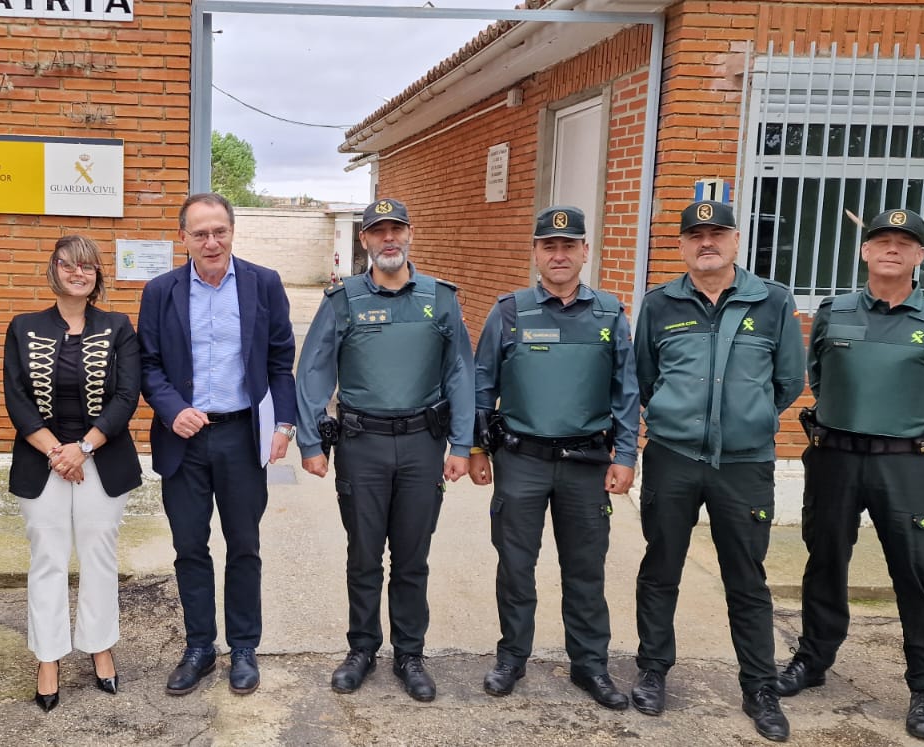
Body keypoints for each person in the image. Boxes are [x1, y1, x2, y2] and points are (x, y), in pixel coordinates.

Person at [775, 208, 924, 742]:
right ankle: (813, 660)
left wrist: (907, 433)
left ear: (920, 256)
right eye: (882, 240)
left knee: (913, 574)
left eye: (904, 242)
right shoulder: (832, 311)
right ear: (865, 251)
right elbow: (818, 377)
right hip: (835, 458)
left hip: (906, 464)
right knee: (824, 562)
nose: (892, 248)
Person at [630, 200, 804, 742]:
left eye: (717, 233)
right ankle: (653, 671)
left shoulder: (772, 301)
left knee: (747, 579)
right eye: (695, 235)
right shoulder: (659, 304)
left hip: (743, 464)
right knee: (661, 569)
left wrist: (745, 420)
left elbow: (788, 382)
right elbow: (645, 374)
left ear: (735, 240)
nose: (707, 243)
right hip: (673, 458)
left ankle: (759, 686)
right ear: (682, 245)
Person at [295, 197, 475, 703]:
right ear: (365, 241)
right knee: (364, 555)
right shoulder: (343, 299)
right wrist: (312, 440)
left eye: (397, 230)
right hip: (362, 445)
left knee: (413, 557)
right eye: (379, 232)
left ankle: (410, 655)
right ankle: (361, 649)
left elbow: (459, 372)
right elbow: (313, 372)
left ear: (410, 235)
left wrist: (462, 443)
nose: (388, 239)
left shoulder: (440, 299)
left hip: (423, 445)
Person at [467, 205, 638, 710]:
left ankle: (590, 665)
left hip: (587, 463)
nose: (559, 254)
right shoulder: (510, 312)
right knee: (516, 566)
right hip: (522, 460)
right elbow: (482, 385)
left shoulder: (610, 313)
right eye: (549, 245)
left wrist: (625, 455)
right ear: (536, 253)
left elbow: (625, 392)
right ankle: (511, 658)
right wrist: (478, 448)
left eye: (569, 245)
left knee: (586, 569)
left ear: (585, 251)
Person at [138, 192, 298, 696]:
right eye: (200, 233)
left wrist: (284, 425)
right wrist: (172, 409)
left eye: (220, 231)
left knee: (244, 546)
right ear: (183, 237)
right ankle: (200, 647)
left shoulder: (262, 283)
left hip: (240, 435)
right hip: (182, 439)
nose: (211, 242)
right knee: (190, 546)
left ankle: (244, 648)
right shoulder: (160, 291)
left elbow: (279, 360)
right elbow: (148, 364)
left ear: (232, 232)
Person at [2, 235, 142, 712]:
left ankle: (100, 646)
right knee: (48, 558)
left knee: (99, 556)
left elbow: (126, 397)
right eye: (69, 264)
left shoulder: (119, 326)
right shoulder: (23, 327)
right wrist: (57, 452)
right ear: (54, 269)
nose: (78, 273)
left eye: (87, 266)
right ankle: (48, 657)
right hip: (43, 461)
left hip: (101, 458)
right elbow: (17, 399)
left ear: (98, 273)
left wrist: (82, 449)